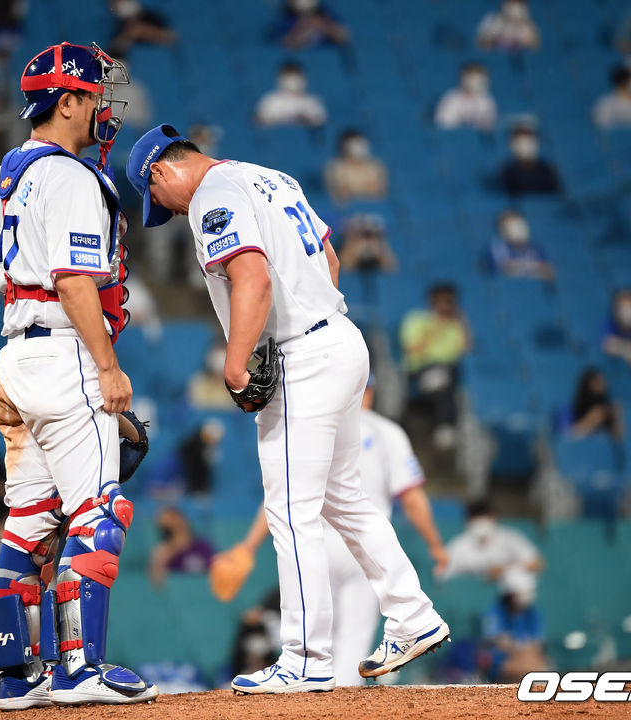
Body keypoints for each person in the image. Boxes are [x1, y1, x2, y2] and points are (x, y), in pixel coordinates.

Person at [127, 123, 449, 693]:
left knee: (290, 511)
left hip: (305, 356)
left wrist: (236, 362)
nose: (168, 211)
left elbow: (252, 278)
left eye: (158, 200)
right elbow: (330, 260)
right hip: (343, 341)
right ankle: (413, 614)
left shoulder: (211, 194)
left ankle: (305, 658)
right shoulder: (271, 178)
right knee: (342, 496)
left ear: (160, 170)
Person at [0, 42, 157, 707]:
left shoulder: (5, 175)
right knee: (97, 511)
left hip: (15, 359)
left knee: (27, 520)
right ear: (69, 99)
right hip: (63, 353)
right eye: (94, 94)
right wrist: (106, 368)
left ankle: (16, 676)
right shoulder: (72, 177)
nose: (104, 106)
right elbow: (74, 280)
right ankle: (80, 670)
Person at [214, 374, 448, 686]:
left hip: (315, 542)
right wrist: (435, 545)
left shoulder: (313, 426)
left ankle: (309, 687)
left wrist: (249, 545)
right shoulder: (386, 431)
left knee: (314, 643)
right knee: (353, 640)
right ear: (370, 393)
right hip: (363, 545)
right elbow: (413, 499)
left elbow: (281, 497)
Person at [399, 283, 472, 449]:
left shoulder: (456, 325)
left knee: (447, 377)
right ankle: (445, 425)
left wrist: (462, 322)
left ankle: (447, 427)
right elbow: (412, 349)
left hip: (450, 369)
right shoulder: (416, 319)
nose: (445, 306)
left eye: (449, 302)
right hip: (421, 369)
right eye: (441, 301)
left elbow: (466, 348)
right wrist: (437, 326)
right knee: (441, 377)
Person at [441, 499, 544, 584]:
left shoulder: (510, 538)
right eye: (476, 517)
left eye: (485, 516)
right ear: (467, 521)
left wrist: (504, 570)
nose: (481, 521)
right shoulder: (458, 545)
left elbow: (536, 563)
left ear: (494, 517)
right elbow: (442, 576)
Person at [480, 566, 547, 682]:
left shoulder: (532, 614)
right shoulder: (496, 612)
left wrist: (526, 653)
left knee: (536, 665)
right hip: (500, 666)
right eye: (522, 593)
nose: (527, 596)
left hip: (528, 661)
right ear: (510, 594)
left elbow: (537, 644)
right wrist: (519, 651)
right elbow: (498, 642)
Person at [147, 506, 215, 589]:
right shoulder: (162, 551)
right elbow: (157, 584)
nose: (175, 524)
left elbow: (216, 570)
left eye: (174, 518)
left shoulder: (203, 546)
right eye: (169, 523)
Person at [485, 210, 555, 280]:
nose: (519, 229)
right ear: (502, 231)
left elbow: (549, 270)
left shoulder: (535, 249)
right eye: (513, 226)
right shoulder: (497, 249)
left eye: (521, 224)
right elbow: (504, 269)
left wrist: (520, 267)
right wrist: (534, 268)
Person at [254, 62, 327, 128]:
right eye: (288, 78)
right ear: (279, 80)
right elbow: (258, 120)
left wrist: (304, 120)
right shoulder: (270, 100)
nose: (292, 82)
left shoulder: (312, 102)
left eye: (296, 77)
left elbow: (320, 121)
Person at [324, 129, 387, 204]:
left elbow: (377, 191)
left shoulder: (375, 166)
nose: (358, 149)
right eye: (353, 145)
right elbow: (340, 193)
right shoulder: (335, 167)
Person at [498, 125, 561, 197]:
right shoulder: (506, 173)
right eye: (519, 143)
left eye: (527, 143)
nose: (523, 147)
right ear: (511, 146)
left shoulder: (549, 171)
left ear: (536, 143)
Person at [434, 63, 497, 131]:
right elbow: (444, 125)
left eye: (481, 76)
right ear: (465, 78)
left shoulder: (486, 99)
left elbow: (490, 124)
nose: (478, 81)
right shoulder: (451, 99)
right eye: (473, 77)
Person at [565, 368, 624, 440]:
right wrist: (593, 419)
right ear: (590, 384)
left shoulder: (607, 405)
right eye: (598, 381)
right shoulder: (574, 407)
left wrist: (617, 418)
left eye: (603, 380)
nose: (603, 384)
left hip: (602, 448)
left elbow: (619, 436)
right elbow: (569, 436)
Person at [108, 0, 176, 57]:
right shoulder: (129, 9)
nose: (147, 33)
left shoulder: (119, 43)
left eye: (152, 37)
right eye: (153, 34)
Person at [277, 0, 349, 50]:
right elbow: (286, 45)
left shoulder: (324, 12)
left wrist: (322, 25)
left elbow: (343, 35)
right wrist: (303, 29)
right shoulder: (287, 18)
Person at [476, 0, 541, 52]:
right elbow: (481, 43)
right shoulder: (493, 20)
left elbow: (534, 46)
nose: (514, 9)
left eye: (518, 5)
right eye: (511, 4)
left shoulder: (529, 26)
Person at [187, 343, 236, 410]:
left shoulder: (237, 386)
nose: (220, 362)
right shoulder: (199, 381)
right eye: (217, 358)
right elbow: (194, 408)